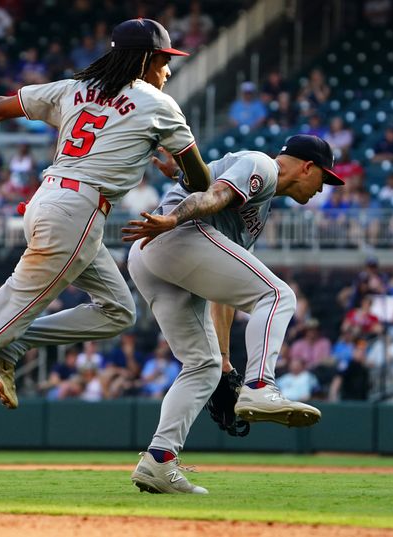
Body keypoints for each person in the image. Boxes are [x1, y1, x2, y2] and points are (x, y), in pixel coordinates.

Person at [0, 18, 211, 473]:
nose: (168, 70)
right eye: (165, 60)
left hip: (50, 200)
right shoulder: (158, 104)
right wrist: (176, 170)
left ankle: (12, 347)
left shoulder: (74, 89)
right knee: (0, 315)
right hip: (78, 213)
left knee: (117, 309)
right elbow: (201, 180)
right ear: (147, 59)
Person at [122, 134, 343, 493]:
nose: (323, 188)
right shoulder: (263, 166)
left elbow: (220, 293)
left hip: (150, 255)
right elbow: (216, 196)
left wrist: (225, 363)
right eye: (325, 177)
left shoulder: (261, 201)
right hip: (175, 234)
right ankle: (261, 385)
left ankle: (158, 461)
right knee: (277, 295)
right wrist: (175, 217)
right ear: (307, 167)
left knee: (203, 366)